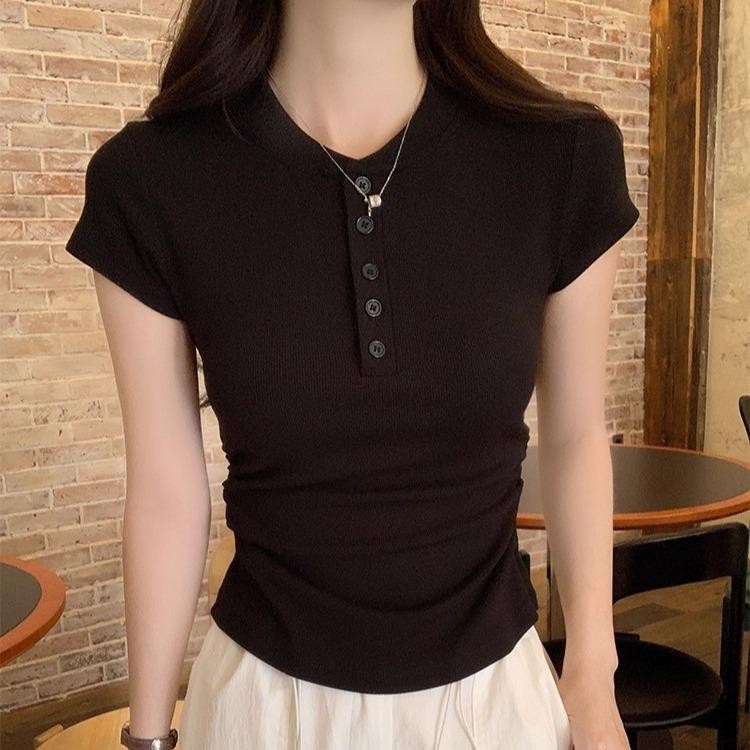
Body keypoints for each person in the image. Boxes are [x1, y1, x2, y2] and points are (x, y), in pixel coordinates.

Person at [65, 0, 640, 748]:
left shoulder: (561, 157)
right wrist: (148, 737)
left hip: (497, 705)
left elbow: (575, 435)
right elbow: (166, 489)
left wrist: (592, 675)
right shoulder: (150, 180)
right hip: (265, 711)